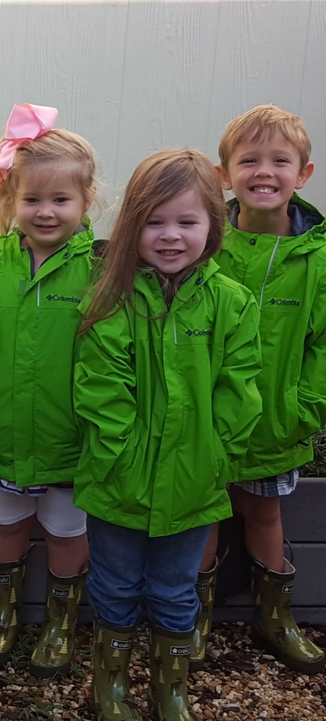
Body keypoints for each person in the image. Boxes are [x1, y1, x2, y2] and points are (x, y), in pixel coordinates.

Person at [75, 148, 262, 721]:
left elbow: (240, 388)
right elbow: (101, 391)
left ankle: (169, 689)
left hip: (193, 486)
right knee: (114, 585)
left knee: (177, 591)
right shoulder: (112, 299)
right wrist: (118, 460)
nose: (170, 236)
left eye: (187, 221)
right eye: (154, 221)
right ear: (133, 224)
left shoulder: (231, 302)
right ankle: (110, 688)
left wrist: (212, 455)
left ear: (213, 224)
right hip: (117, 484)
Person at [193, 104, 325, 673]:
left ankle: (277, 616)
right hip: (206, 419)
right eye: (248, 160)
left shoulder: (318, 259)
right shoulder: (205, 241)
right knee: (203, 514)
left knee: (264, 515)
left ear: (304, 174)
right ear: (225, 174)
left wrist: (307, 406)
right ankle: (191, 616)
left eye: (280, 160)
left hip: (277, 418)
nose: (264, 171)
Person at [0, 104, 96, 677]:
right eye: (32, 199)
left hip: (70, 441)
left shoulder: (102, 273)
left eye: (60, 200)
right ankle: (5, 612)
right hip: (2, 436)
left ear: (86, 201)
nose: (46, 212)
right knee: (7, 524)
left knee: (67, 531)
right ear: (10, 200)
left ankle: (62, 623)